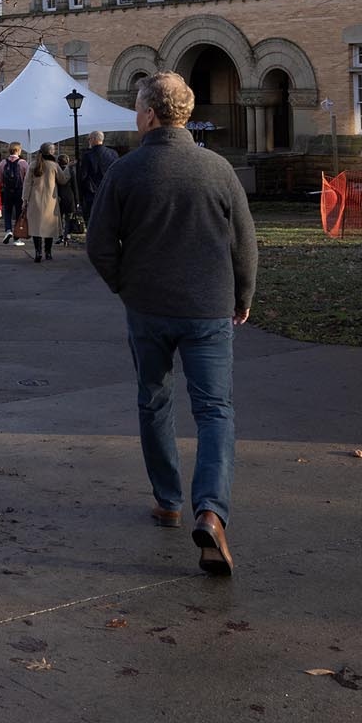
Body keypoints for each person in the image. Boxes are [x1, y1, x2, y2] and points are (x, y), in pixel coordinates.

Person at [85, 72, 257, 576]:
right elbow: (244, 242)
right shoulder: (219, 169)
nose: (135, 116)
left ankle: (168, 500)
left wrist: (126, 287)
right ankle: (211, 510)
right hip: (208, 308)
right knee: (215, 411)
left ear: (151, 114)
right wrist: (242, 296)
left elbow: (99, 245)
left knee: (154, 399)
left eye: (138, 107)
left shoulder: (126, 171)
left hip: (148, 309)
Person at [23, 144, 66, 262]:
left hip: (34, 199)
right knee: (49, 227)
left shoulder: (33, 164)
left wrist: (25, 200)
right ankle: (48, 252)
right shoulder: (54, 165)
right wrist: (68, 169)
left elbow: (27, 184)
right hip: (50, 201)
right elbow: (63, 180)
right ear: (51, 152)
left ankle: (38, 252)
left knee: (36, 227)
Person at [78, 130, 120, 216]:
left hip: (92, 193)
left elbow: (83, 176)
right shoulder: (113, 153)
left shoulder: (87, 155)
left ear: (93, 139)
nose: (89, 141)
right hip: (110, 191)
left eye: (89, 139)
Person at [0, 144, 27, 246]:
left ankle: (8, 230)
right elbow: (27, 179)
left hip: (7, 191)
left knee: (7, 212)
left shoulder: (3, 163)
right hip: (19, 191)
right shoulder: (23, 163)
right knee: (19, 214)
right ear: (19, 151)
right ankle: (17, 238)